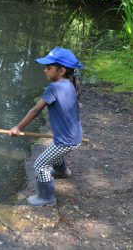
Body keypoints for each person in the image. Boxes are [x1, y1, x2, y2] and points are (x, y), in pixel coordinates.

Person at [9, 47, 83, 206]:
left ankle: (46, 197)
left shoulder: (53, 88)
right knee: (55, 149)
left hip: (66, 140)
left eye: (49, 68)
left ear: (61, 70)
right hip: (74, 136)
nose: (45, 71)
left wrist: (18, 128)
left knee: (40, 165)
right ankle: (62, 172)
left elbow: (35, 110)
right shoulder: (69, 84)